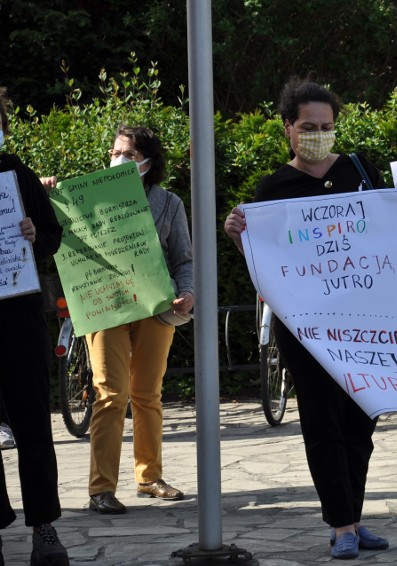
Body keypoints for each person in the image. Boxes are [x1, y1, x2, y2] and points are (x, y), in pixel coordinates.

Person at [224, 77, 397, 560]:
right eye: (309, 126)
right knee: (322, 422)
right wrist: (237, 235)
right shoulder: (274, 188)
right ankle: (340, 525)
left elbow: (387, 232)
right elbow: (264, 263)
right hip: (305, 328)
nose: (319, 133)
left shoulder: (359, 170)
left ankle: (352, 518)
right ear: (289, 129)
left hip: (365, 320)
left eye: (327, 126)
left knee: (362, 422)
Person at [85, 126, 194, 514]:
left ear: (148, 161)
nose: (118, 159)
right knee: (110, 394)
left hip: (154, 308)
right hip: (104, 306)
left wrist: (189, 292)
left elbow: (183, 259)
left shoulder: (169, 203)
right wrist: (47, 192)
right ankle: (101, 488)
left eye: (128, 154)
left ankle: (149, 477)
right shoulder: (87, 198)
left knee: (147, 394)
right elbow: (59, 235)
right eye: (114, 152)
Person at [0, 86, 69, 565]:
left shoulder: (15, 172)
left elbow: (53, 236)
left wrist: (33, 235)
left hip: (19, 317)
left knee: (32, 424)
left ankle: (44, 526)